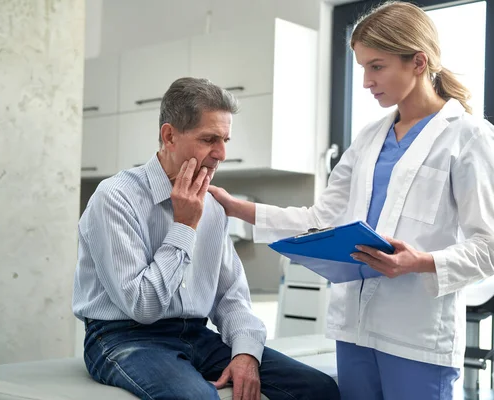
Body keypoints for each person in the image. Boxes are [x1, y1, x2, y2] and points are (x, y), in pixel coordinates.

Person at [208, 2, 494, 399]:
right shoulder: (368, 138)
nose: (366, 81)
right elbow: (320, 218)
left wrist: (419, 262)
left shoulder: (468, 136)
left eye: (376, 66)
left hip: (416, 335)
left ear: (418, 62)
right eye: (362, 67)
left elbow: (491, 250)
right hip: (355, 330)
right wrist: (234, 207)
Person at [72, 77, 340, 400]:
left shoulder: (213, 205)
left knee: (320, 389)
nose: (222, 153)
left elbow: (231, 297)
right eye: (209, 139)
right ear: (169, 136)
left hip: (196, 333)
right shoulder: (115, 198)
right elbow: (143, 306)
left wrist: (245, 351)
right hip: (123, 337)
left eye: (226, 139)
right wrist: (184, 226)